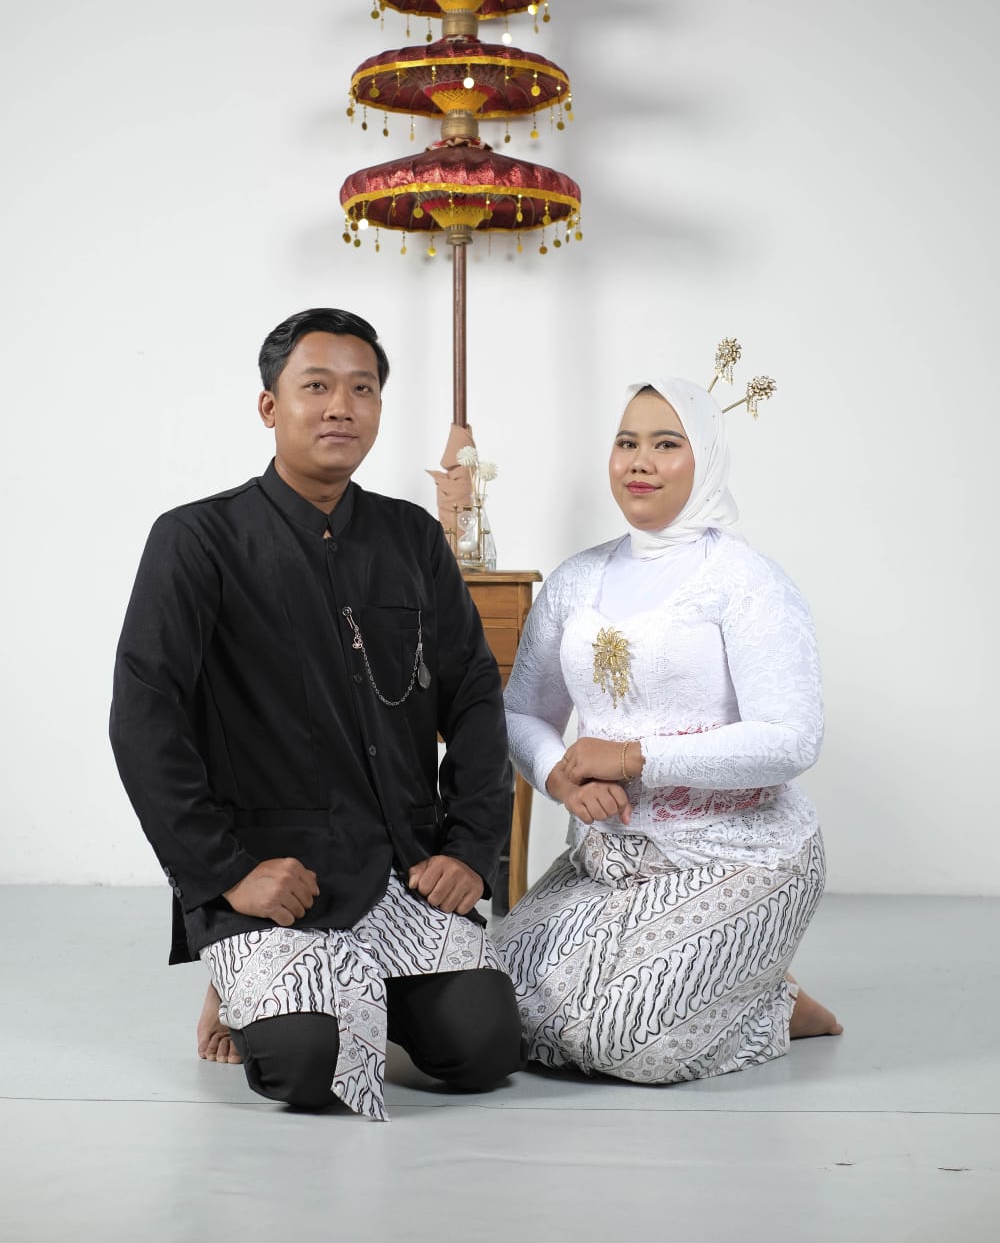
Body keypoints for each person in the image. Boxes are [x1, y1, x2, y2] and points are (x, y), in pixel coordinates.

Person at [110, 307, 522, 1119]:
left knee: (483, 1049)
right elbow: (144, 719)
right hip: (275, 879)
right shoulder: (197, 540)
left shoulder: (412, 538)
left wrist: (471, 848)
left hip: (400, 869)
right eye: (317, 386)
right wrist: (227, 874)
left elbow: (474, 695)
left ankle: (349, 990)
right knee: (308, 1067)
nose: (342, 407)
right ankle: (241, 979)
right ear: (271, 406)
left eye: (362, 390)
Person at [494, 373, 841, 1084]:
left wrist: (632, 757)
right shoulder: (576, 580)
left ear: (704, 458)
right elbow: (519, 710)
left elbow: (792, 737)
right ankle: (730, 975)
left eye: (665, 444)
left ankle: (775, 1005)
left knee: (624, 1041)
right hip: (610, 859)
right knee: (486, 1008)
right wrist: (558, 775)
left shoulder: (745, 581)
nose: (640, 462)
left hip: (738, 854)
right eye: (627, 443)